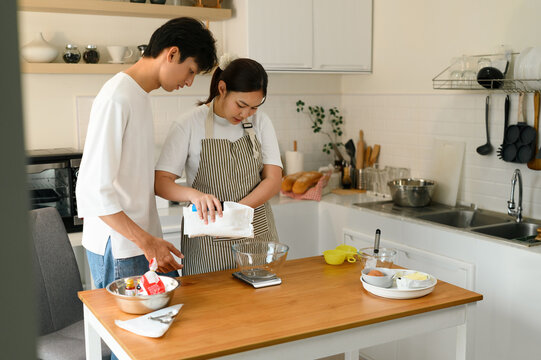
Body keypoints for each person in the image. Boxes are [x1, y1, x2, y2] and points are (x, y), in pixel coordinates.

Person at [76, 17, 217, 289]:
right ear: (172, 53)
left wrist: (151, 239)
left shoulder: (137, 95)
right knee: (132, 330)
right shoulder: (117, 97)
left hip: (138, 242)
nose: (189, 82)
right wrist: (146, 241)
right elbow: (92, 191)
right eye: (190, 71)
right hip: (120, 246)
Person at [155, 56, 283, 275]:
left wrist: (238, 210)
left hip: (256, 236)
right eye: (241, 105)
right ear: (222, 88)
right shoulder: (188, 124)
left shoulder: (260, 122)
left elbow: (273, 179)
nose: (245, 114)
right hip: (208, 240)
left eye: (253, 107)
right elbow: (161, 183)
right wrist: (194, 195)